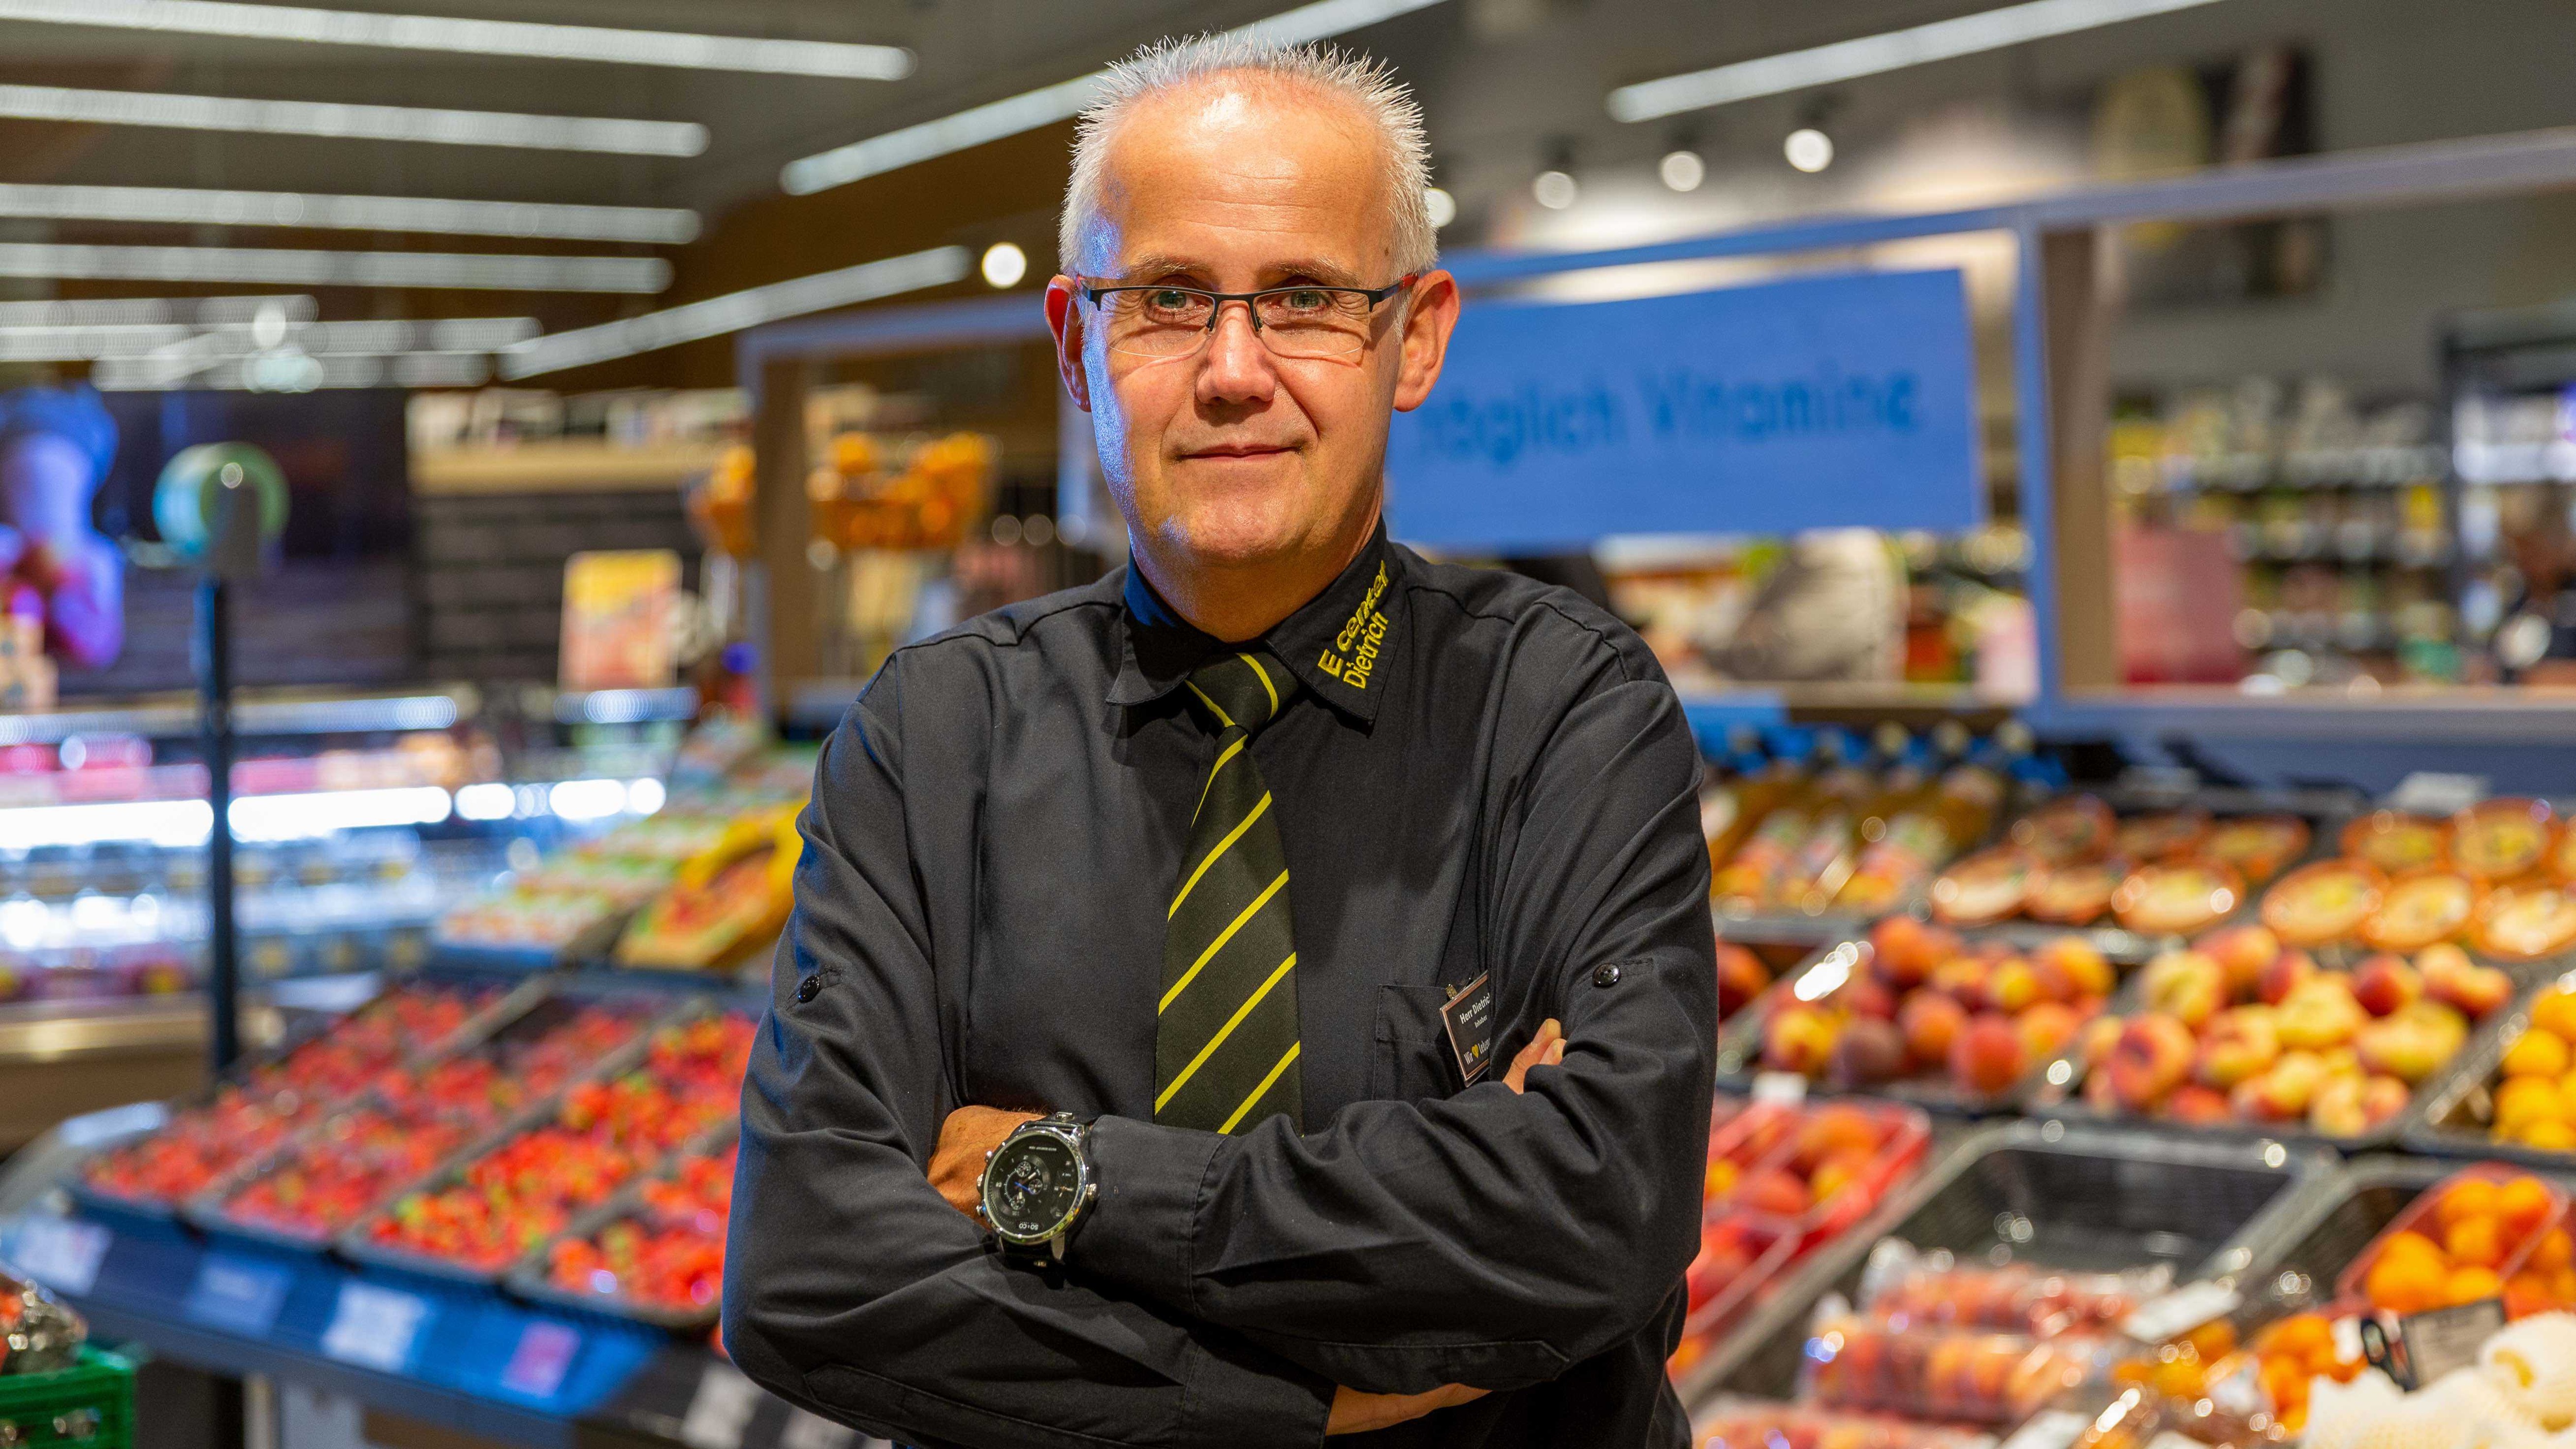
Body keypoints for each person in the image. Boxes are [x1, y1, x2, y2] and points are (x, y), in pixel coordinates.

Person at [724, 35, 1716, 1448]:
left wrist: (1069, 1179)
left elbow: (1600, 1207)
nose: (1234, 370)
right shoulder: (932, 739)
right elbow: (810, 1269)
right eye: (1170, 299)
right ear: (1077, 346)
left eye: (1304, 298)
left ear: (1417, 335)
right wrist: (1301, 1404)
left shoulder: (1563, 710)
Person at [0, 385, 123, 670]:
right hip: (71, 431)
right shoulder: (92, 558)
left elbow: (102, 650)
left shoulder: (14, 551)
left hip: (41, 429)